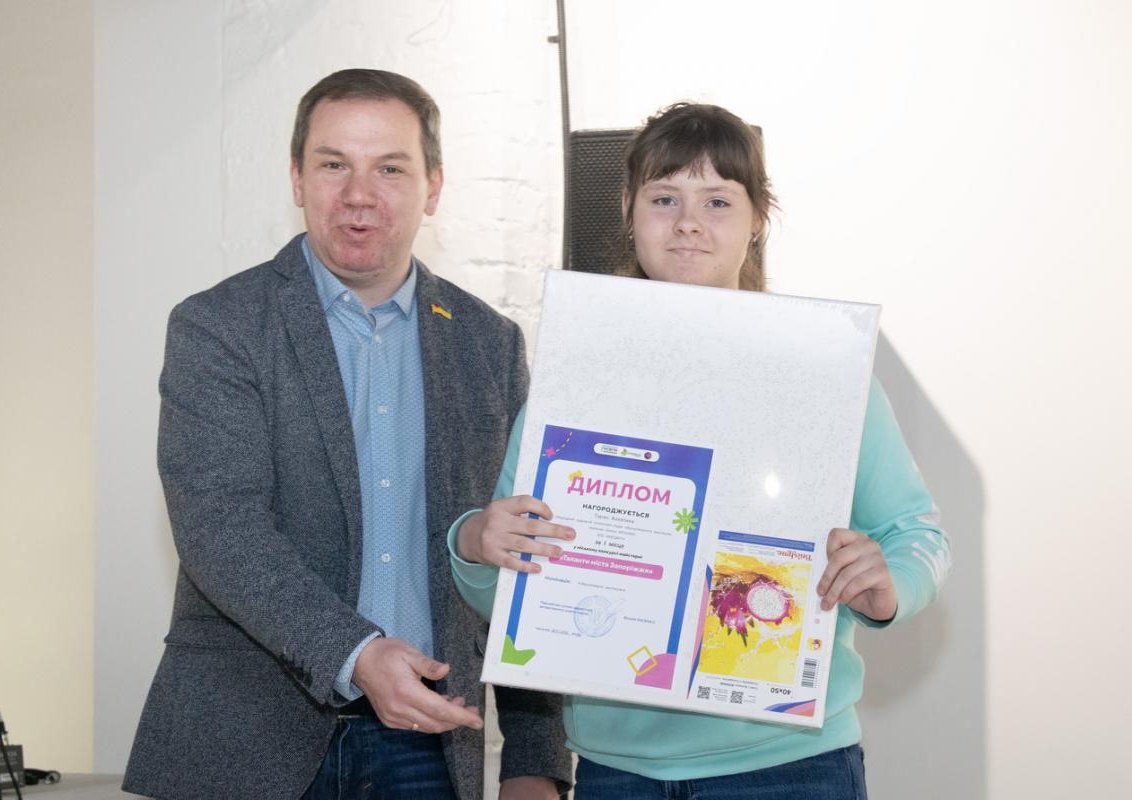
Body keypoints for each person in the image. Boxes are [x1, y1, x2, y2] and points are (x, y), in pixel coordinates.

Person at [447, 103, 952, 799]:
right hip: (618, 774)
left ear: (757, 219)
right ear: (628, 212)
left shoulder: (823, 375)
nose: (688, 222)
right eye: (664, 199)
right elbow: (508, 581)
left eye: (717, 200)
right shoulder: (577, 380)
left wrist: (890, 583)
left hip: (791, 770)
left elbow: (918, 534)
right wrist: (476, 544)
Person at [123, 69, 571, 800]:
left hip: (428, 744)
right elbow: (220, 528)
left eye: (390, 168)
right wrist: (355, 653)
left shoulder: (488, 343)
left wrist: (533, 758)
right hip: (244, 739)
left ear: (433, 187)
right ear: (297, 179)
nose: (359, 194)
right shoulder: (219, 326)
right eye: (334, 164)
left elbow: (523, 547)